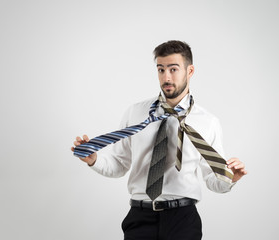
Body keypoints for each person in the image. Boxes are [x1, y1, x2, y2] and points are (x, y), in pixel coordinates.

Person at [71, 40, 247, 240]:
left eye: (173, 69)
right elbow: (119, 165)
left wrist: (231, 178)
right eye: (161, 70)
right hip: (140, 217)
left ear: (190, 71)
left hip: (183, 220)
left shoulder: (208, 122)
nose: (166, 77)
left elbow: (212, 180)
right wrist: (94, 159)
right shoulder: (136, 113)